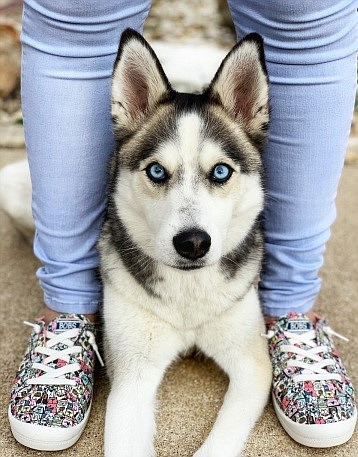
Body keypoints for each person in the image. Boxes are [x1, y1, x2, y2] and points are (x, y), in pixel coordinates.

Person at [8, 0, 357, 452]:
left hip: (231, 281)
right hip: (133, 275)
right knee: (79, 6)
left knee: (304, 8)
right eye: (157, 172)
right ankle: (70, 304)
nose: (191, 228)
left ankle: (288, 304)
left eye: (221, 174)